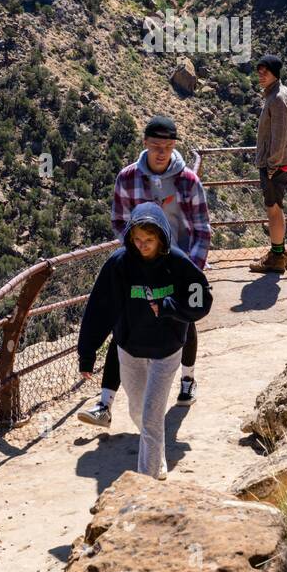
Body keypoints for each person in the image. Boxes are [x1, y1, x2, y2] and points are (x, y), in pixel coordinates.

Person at [78, 115, 211, 429]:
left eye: (167, 146)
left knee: (184, 320)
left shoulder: (188, 181)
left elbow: (202, 229)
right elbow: (118, 220)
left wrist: (190, 270)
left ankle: (187, 379)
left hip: (179, 266)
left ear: (174, 146)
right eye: (156, 146)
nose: (162, 152)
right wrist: (133, 255)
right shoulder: (127, 179)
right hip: (139, 265)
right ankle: (105, 402)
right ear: (145, 145)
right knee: (122, 322)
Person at [76, 202, 212, 479]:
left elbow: (201, 300)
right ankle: (157, 452)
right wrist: (87, 354)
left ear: (161, 237)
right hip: (130, 350)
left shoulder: (177, 262)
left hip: (167, 350)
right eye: (137, 240)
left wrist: (170, 306)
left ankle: (146, 485)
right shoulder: (119, 264)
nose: (142, 246)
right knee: (138, 411)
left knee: (151, 416)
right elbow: (99, 309)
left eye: (149, 240)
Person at [249, 53, 287, 274]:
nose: (261, 75)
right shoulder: (281, 93)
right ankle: (279, 252)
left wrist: (270, 165)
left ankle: (276, 258)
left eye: (265, 72)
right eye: (259, 72)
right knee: (277, 208)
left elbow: (278, 138)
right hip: (279, 163)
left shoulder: (277, 98)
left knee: (273, 210)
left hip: (275, 165)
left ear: (274, 73)